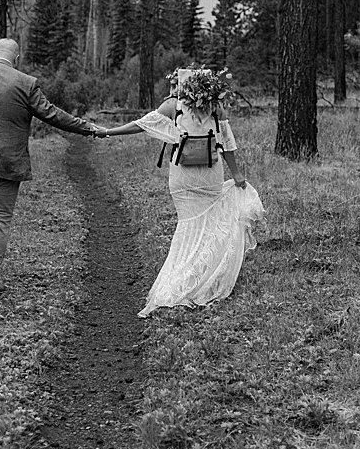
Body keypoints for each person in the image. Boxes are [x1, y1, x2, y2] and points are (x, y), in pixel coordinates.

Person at [96, 67, 265, 317]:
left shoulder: (173, 107)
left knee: (186, 226)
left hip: (182, 178)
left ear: (182, 85)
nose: (173, 89)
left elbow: (141, 125)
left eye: (175, 84)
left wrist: (108, 131)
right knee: (210, 225)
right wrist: (237, 175)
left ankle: (179, 281)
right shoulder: (215, 108)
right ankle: (205, 273)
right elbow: (227, 144)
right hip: (211, 174)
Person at [0, 37, 100, 293]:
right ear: (17, 58)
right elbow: (53, 114)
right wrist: (87, 127)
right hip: (7, 162)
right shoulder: (26, 83)